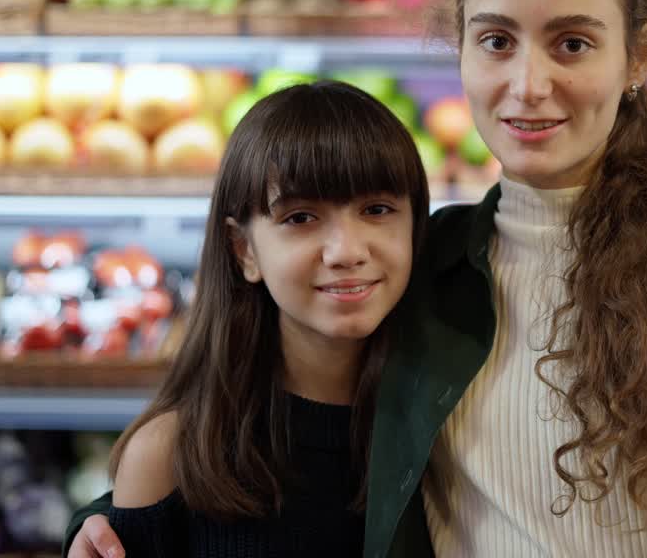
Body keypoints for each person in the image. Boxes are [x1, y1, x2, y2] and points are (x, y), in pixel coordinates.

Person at [65, 0, 647, 558]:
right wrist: (110, 522)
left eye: (573, 43)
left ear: (637, 57)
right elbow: (276, 418)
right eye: (496, 41)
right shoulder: (428, 267)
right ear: (462, 50)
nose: (528, 84)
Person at [89, 82, 429, 558]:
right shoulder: (167, 457)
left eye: (377, 210)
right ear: (244, 249)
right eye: (300, 218)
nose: (347, 251)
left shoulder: (448, 429)